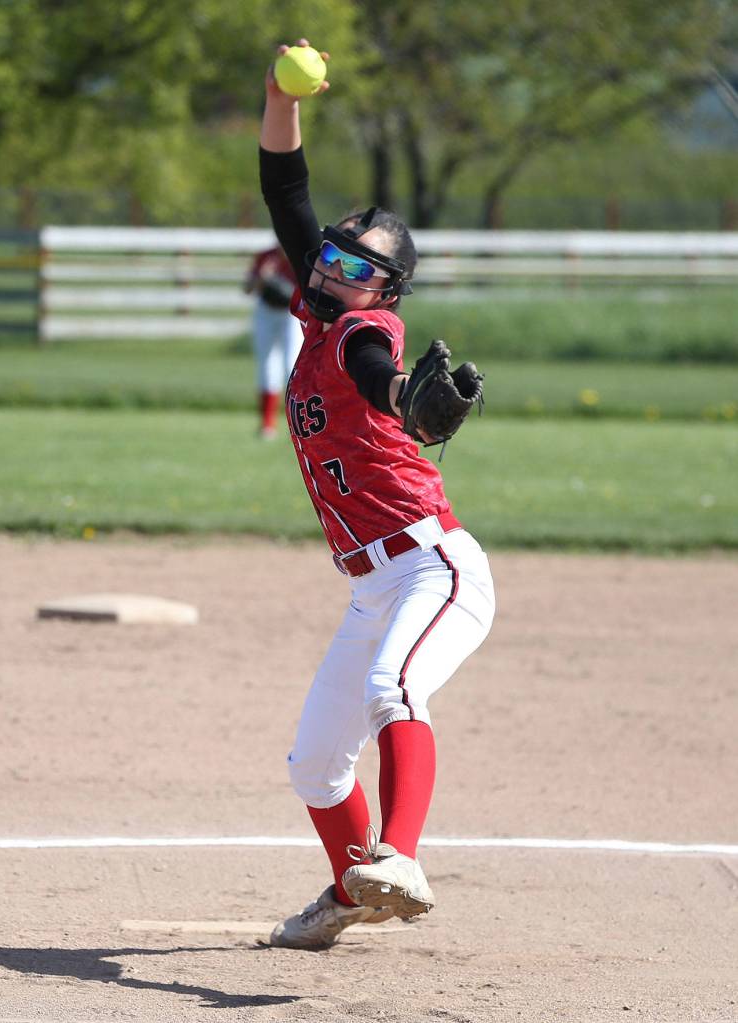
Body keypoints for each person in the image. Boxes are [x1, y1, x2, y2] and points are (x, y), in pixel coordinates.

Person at [260, 40, 495, 949]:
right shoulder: (319, 301)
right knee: (315, 767)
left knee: (394, 685)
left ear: (387, 289)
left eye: (358, 264)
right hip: (372, 583)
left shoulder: (363, 326)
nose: (333, 267)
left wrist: (401, 396)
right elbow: (285, 187)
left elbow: (374, 372)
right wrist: (279, 96)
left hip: (434, 569)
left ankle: (398, 857)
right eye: (330, 253)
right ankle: (349, 892)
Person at [244, 244, 301, 438]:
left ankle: (300, 425)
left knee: (291, 365)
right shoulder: (266, 256)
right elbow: (247, 289)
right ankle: (267, 425)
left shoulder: (299, 254)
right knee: (267, 365)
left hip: (291, 312)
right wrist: (262, 277)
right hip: (266, 311)